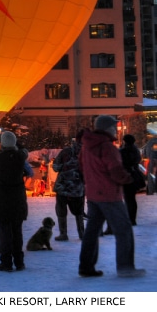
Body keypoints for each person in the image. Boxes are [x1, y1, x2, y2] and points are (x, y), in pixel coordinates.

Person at [78, 116, 146, 278]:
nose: (116, 129)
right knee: (124, 230)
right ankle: (125, 267)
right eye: (114, 126)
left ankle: (86, 266)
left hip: (93, 194)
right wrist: (129, 178)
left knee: (92, 232)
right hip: (109, 195)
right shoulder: (107, 147)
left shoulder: (86, 147)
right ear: (108, 129)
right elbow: (116, 171)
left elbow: (81, 167)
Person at [0, 131, 29, 272]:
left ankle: (6, 262)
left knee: (4, 232)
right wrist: (15, 142)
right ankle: (19, 262)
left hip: (2, 200)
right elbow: (24, 149)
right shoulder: (20, 157)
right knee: (17, 231)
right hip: (17, 198)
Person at [52, 130, 86, 241]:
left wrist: (65, 166)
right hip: (78, 188)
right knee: (79, 212)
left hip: (62, 187)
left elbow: (55, 167)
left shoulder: (65, 152)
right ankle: (82, 233)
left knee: (61, 211)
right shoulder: (89, 153)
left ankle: (63, 233)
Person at [120, 134, 144, 226]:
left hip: (127, 176)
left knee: (128, 198)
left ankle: (129, 218)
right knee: (132, 199)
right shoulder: (135, 151)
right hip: (134, 176)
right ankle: (132, 218)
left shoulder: (124, 151)